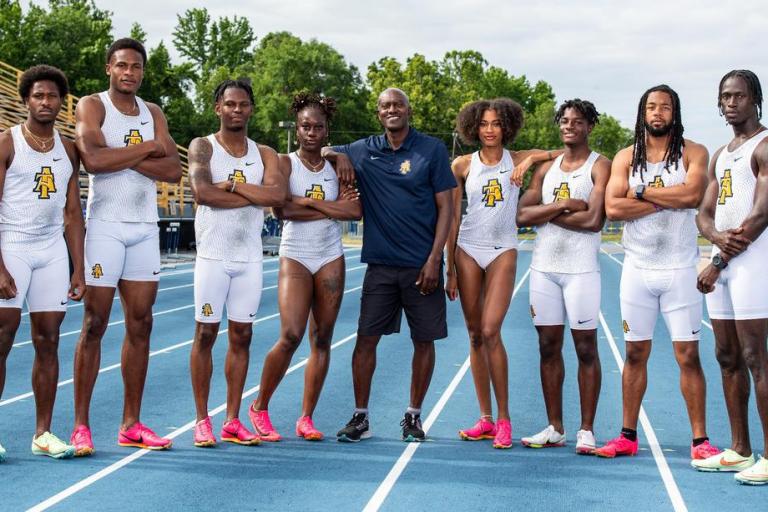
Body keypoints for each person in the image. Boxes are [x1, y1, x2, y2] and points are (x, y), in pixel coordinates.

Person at [321, 88, 455, 442]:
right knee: (365, 340)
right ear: (378, 113)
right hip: (380, 265)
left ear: (408, 110)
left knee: (424, 341)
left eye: (397, 104)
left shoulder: (432, 150)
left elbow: (447, 209)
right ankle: (360, 416)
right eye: (385, 106)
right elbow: (318, 148)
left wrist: (434, 259)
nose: (391, 110)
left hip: (421, 266)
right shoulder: (364, 149)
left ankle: (413, 415)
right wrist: (336, 154)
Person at [70, 38, 182, 455]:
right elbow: (93, 161)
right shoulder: (92, 105)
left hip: (144, 228)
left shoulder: (154, 112)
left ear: (142, 72)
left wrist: (124, 153)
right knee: (94, 324)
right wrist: (147, 148)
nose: (129, 72)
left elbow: (172, 170)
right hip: (106, 227)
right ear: (108, 69)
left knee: (142, 324)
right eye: (121, 66)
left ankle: (131, 423)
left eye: (136, 67)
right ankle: (81, 425)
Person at [596, 85, 719, 461]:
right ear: (642, 112)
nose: (658, 112)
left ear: (675, 113)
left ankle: (700, 442)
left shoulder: (694, 152)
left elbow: (691, 197)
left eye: (665, 106)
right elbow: (613, 209)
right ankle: (627, 435)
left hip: (680, 269)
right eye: (651, 106)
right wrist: (665, 197)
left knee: (688, 356)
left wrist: (640, 193)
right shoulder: (624, 157)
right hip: (637, 270)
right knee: (634, 355)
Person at [446, 98, 561, 449]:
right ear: (474, 128)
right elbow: (452, 217)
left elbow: (559, 153)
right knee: (474, 334)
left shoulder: (517, 158)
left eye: (496, 123)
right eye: (483, 124)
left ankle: (505, 418)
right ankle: (485, 418)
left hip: (503, 250)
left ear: (506, 126)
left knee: (491, 329)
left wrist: (528, 160)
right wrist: (449, 267)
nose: (490, 129)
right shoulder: (462, 165)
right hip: (468, 247)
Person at [248, 92, 362, 442]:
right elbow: (281, 209)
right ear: (296, 129)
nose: (311, 132)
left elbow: (354, 212)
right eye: (305, 126)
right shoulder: (284, 163)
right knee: (291, 334)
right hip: (296, 253)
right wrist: (328, 205)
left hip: (330, 254)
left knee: (322, 338)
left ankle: (306, 417)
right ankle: (260, 407)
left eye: (318, 127)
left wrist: (307, 202)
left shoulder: (339, 166)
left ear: (327, 131)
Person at [187, 79, 284, 447]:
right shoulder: (203, 146)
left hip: (249, 258)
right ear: (218, 108)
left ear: (251, 109)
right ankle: (201, 419)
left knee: (242, 336)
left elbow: (276, 196)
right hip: (213, 257)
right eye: (230, 104)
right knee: (206, 334)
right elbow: (202, 193)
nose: (237, 110)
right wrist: (250, 195)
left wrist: (231, 186)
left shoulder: (266, 154)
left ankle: (231, 418)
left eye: (243, 104)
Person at [0, 65, 84, 460]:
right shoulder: (7, 143)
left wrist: (78, 267)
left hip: (51, 251)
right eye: (38, 96)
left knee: (48, 341)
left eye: (52, 96)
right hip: (11, 247)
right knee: (2, 338)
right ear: (26, 100)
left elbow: (71, 213)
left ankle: (43, 434)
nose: (46, 102)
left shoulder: (68, 149)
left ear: (61, 102)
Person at [516, 99, 609, 454]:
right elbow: (522, 215)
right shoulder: (546, 169)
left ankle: (586, 429)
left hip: (581, 270)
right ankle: (555, 427)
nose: (570, 126)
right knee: (547, 347)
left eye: (578, 121)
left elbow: (593, 221)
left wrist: (544, 213)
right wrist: (563, 204)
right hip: (544, 269)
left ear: (589, 126)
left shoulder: (600, 166)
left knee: (586, 347)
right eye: (565, 121)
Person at [694, 69, 768, 484]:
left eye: (739, 96)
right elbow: (704, 212)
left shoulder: (765, 146)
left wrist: (718, 261)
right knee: (727, 357)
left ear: (755, 98)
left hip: (753, 263)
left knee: (757, 358)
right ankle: (740, 449)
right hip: (721, 262)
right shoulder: (722, 154)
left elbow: (758, 217)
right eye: (725, 97)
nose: (731, 103)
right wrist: (716, 239)